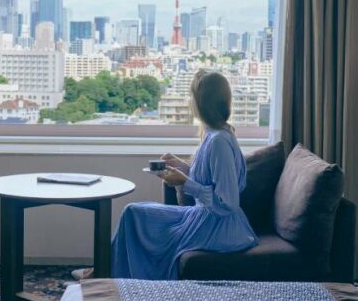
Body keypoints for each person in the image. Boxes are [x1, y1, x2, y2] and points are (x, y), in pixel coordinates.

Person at [109, 69, 257, 280]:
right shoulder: (214, 134)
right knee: (133, 212)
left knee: (137, 217)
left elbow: (228, 203)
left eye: (192, 97)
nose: (190, 102)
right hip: (207, 218)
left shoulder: (219, 143)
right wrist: (183, 168)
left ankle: (108, 275)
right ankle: (109, 272)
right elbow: (210, 179)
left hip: (220, 228)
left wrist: (186, 183)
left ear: (202, 102)